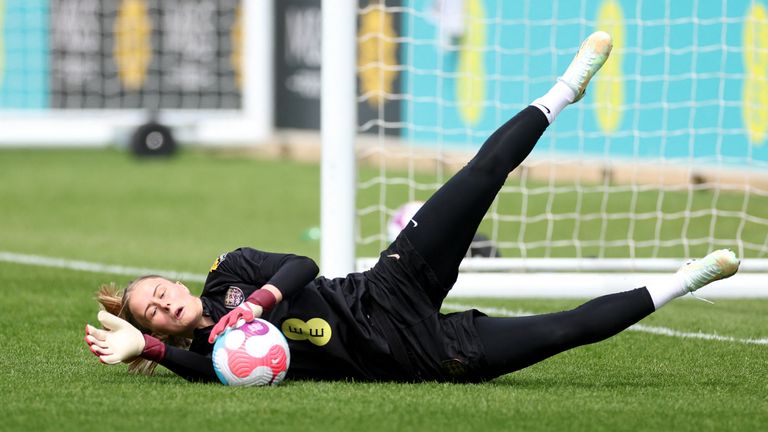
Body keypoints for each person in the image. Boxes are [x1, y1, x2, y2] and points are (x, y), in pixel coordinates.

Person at [84, 31, 740, 384]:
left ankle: (565, 87)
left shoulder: (230, 273)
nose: (165, 301)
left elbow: (303, 266)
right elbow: (197, 366)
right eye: (154, 312)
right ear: (164, 330)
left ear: (173, 281)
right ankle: (688, 279)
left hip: (390, 281)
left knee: (480, 175)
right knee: (562, 330)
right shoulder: (215, 362)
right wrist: (146, 347)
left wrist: (254, 305)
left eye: (159, 291)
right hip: (418, 353)